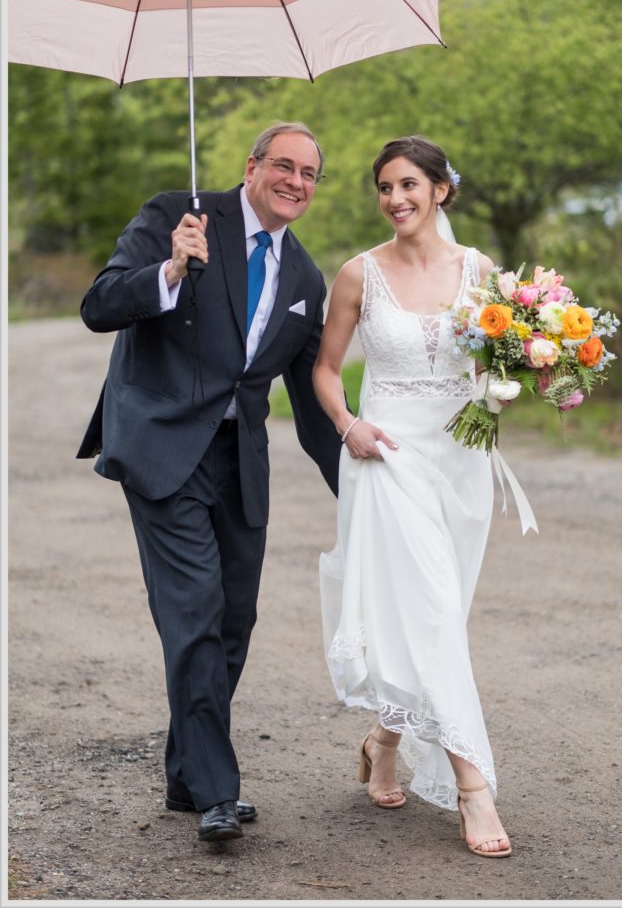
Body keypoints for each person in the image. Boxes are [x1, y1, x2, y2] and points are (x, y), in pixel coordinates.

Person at [78, 122, 341, 843]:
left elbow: (313, 402)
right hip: (162, 448)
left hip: (238, 461)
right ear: (251, 167)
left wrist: (362, 486)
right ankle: (219, 793)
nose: (295, 181)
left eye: (310, 174)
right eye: (283, 166)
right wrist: (166, 273)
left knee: (232, 622)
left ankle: (185, 776)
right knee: (192, 613)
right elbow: (98, 305)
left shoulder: (305, 278)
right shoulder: (177, 215)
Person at [313, 135, 512, 858]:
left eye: (407, 185)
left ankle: (383, 739)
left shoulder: (481, 271)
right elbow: (327, 370)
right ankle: (472, 787)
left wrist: (520, 385)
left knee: (440, 614)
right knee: (431, 610)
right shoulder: (358, 273)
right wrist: (349, 423)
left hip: (462, 461)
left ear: (441, 190)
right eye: (384, 188)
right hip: (386, 454)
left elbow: (502, 360)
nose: (394, 199)